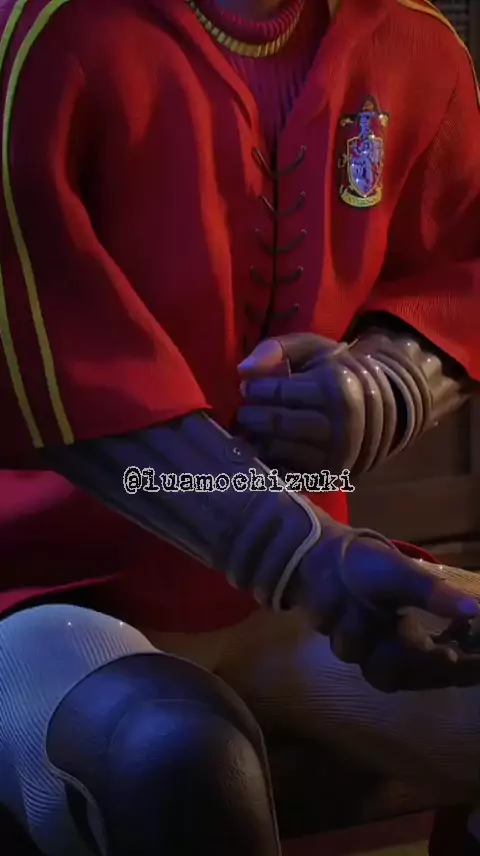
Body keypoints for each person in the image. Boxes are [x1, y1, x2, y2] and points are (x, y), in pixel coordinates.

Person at [0, 0, 480, 853]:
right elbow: (57, 370)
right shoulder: (41, 36)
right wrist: (305, 556)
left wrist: (390, 378)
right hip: (44, 594)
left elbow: (460, 266)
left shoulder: (411, 40)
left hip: (304, 586)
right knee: (174, 760)